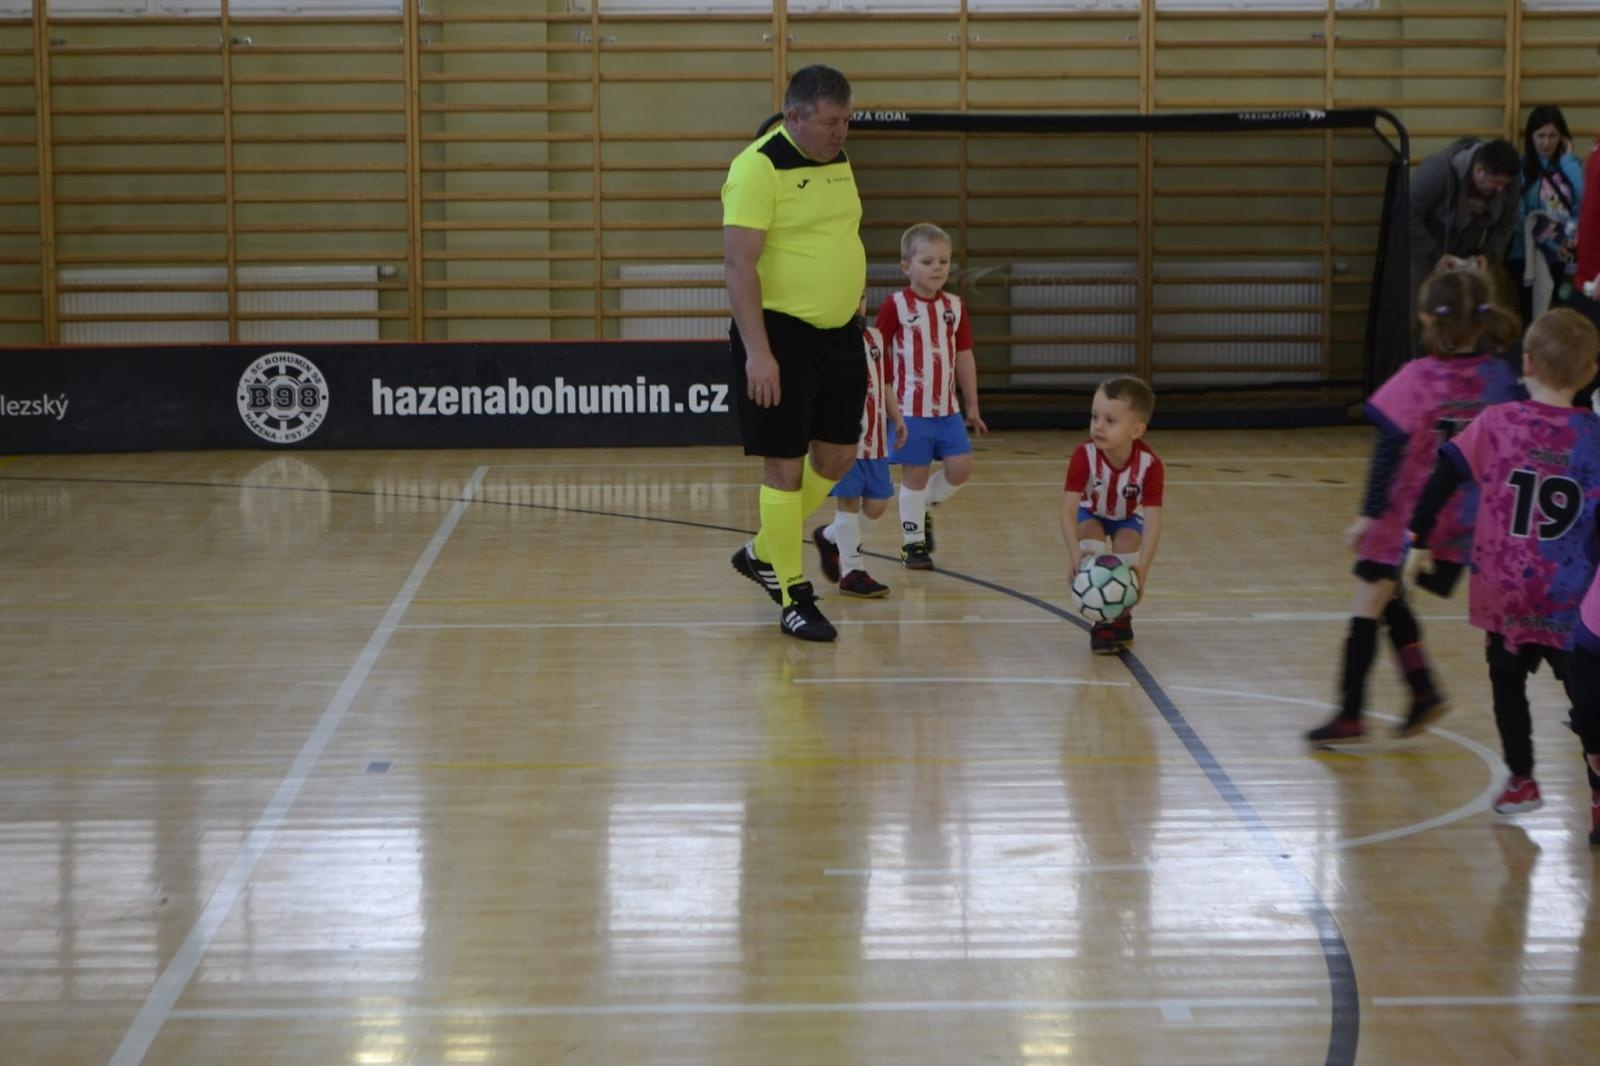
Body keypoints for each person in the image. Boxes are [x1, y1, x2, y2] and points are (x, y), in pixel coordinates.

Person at [1306, 268, 1522, 746]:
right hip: (1464, 520)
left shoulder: (1420, 377)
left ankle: (1350, 714)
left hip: (1409, 515)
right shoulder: (1500, 378)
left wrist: (1368, 511)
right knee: (1390, 596)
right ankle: (1422, 690)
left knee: (1368, 600)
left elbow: (1388, 449)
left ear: (1427, 319)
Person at [1406, 309, 1600, 823]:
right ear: (1591, 372)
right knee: (1586, 696)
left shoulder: (1497, 421)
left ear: (1528, 364)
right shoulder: (1595, 439)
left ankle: (1522, 779)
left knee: (1507, 686)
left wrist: (1417, 533)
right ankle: (1598, 791)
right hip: (1570, 596)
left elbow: (1445, 470)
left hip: (1505, 590)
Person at [721, 64, 867, 642]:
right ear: (794, 117)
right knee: (782, 465)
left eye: (846, 122)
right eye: (830, 123)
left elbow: (839, 236)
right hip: (779, 334)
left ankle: (762, 550)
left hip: (840, 333)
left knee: (837, 458)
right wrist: (759, 353)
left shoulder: (838, 161)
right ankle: (792, 592)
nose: (840, 134)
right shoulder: (757, 168)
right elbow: (738, 265)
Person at [876, 222, 988, 570]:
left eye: (943, 261)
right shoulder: (895, 306)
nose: (938, 268)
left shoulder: (954, 306)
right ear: (907, 267)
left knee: (960, 468)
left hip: (947, 410)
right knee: (915, 475)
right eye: (927, 261)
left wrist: (972, 404)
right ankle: (913, 544)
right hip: (910, 410)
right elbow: (877, 352)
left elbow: (964, 356)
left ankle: (922, 505)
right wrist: (886, 407)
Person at [1061, 376, 1164, 655]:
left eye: (1110, 421)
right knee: (1090, 540)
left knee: (1127, 545)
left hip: (1127, 518)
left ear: (1136, 430)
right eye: (1095, 416)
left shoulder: (1150, 465)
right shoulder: (1084, 455)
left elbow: (1154, 520)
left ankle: (1121, 613)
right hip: (1091, 512)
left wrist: (1142, 569)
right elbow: (1067, 510)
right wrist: (1073, 555)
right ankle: (1101, 623)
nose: (1098, 426)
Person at [813, 304, 908, 597]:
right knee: (849, 503)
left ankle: (829, 535)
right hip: (844, 439)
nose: (856, 301)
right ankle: (853, 571)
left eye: (862, 295)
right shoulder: (825, 339)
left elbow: (886, 383)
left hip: (876, 442)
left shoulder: (876, 338)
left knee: (877, 506)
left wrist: (897, 417)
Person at [1409, 137, 1522, 304]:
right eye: (1495, 183)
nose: (1501, 190)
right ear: (1479, 170)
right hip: (1423, 251)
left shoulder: (1508, 183)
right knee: (1421, 312)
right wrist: (1434, 255)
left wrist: (1488, 255)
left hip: (1467, 256)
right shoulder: (1438, 170)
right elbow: (1408, 211)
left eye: (1505, 184)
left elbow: (1507, 223)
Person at [1511, 106, 1585, 319]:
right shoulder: (1522, 170)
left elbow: (1583, 202)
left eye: (1553, 135)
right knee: (1535, 315)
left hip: (1568, 252)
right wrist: (1550, 242)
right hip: (1530, 254)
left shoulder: (1572, 165)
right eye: (1540, 135)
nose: (1546, 142)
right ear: (1531, 138)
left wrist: (1568, 162)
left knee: (1567, 315)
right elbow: (1519, 217)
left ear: (1562, 137)